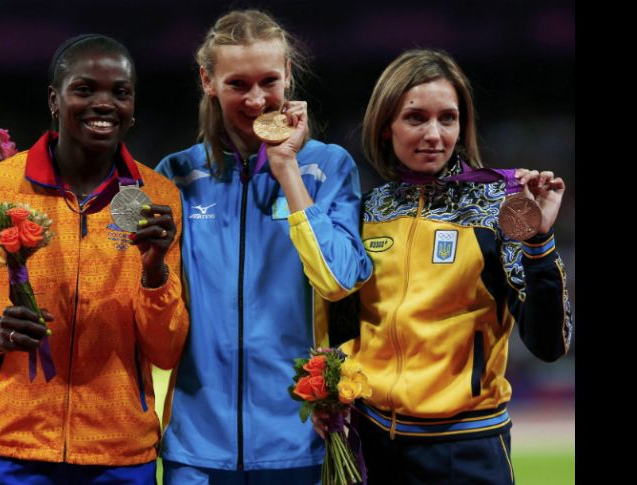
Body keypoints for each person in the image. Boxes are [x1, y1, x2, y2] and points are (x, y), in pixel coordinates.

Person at [0, 34, 189, 484]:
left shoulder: (158, 199)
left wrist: (154, 271)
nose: (104, 103)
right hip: (8, 449)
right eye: (85, 89)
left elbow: (166, 349)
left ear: (132, 105)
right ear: (55, 98)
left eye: (119, 92)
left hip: (119, 453)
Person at [315, 48, 573, 484]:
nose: (434, 134)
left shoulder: (500, 207)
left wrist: (538, 241)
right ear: (384, 128)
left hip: (467, 446)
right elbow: (344, 324)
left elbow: (549, 343)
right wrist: (331, 396)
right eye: (416, 118)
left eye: (448, 118)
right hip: (373, 442)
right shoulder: (366, 211)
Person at [155, 9, 373, 484]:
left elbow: (338, 281)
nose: (256, 100)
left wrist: (288, 171)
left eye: (269, 81)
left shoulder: (326, 168)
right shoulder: (176, 176)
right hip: (195, 447)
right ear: (207, 81)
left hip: (300, 442)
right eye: (237, 84)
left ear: (289, 75)